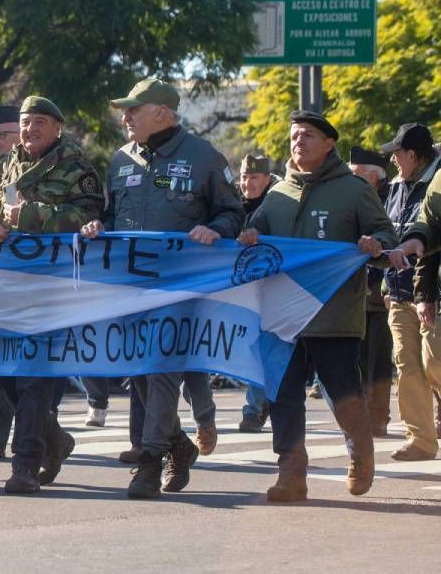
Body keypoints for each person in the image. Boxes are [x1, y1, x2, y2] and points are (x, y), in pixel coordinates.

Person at [80, 77, 244, 499]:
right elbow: (113, 214)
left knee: (162, 367)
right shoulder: (120, 160)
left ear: (162, 113)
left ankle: (150, 463)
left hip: (180, 286)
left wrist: (215, 228)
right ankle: (180, 445)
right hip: (130, 285)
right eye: (125, 109)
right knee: (139, 371)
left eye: (134, 109)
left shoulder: (204, 157)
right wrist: (100, 225)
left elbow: (233, 212)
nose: (126, 116)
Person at [240, 110, 398, 502]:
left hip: (333, 313)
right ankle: (290, 473)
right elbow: (254, 234)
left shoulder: (353, 189)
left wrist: (373, 245)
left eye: (308, 135)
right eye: (295, 135)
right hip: (282, 316)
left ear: (329, 144)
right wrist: (249, 236)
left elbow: (385, 234)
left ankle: (360, 451)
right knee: (284, 395)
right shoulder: (276, 194)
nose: (299, 141)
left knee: (342, 391)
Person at [0, 96, 99, 492]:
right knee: (6, 375)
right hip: (3, 287)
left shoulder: (77, 168)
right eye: (24, 122)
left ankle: (25, 463)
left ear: (57, 127)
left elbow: (90, 216)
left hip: (49, 288)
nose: (29, 129)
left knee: (33, 375)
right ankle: (56, 440)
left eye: (39, 122)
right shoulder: (5, 165)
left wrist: (32, 215)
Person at [381, 124, 441, 462]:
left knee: (435, 363)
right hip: (399, 292)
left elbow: (429, 241)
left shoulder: (435, 183)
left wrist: (424, 296)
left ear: (414, 156)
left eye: (397, 152)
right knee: (406, 365)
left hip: (429, 290)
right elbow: (394, 237)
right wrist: (386, 286)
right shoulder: (395, 188)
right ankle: (421, 440)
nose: (392, 157)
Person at [349, 146, 395, 438]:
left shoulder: (390, 199)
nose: (353, 180)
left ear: (373, 177)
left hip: (381, 292)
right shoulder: (354, 199)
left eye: (358, 175)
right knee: (359, 358)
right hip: (357, 292)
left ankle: (378, 416)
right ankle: (364, 414)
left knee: (379, 359)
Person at [237, 153, 276, 432]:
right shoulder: (233, 206)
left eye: (253, 177)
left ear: (267, 178)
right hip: (241, 289)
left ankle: (254, 409)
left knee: (261, 348)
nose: (246, 183)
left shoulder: (279, 203)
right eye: (243, 177)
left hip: (273, 288)